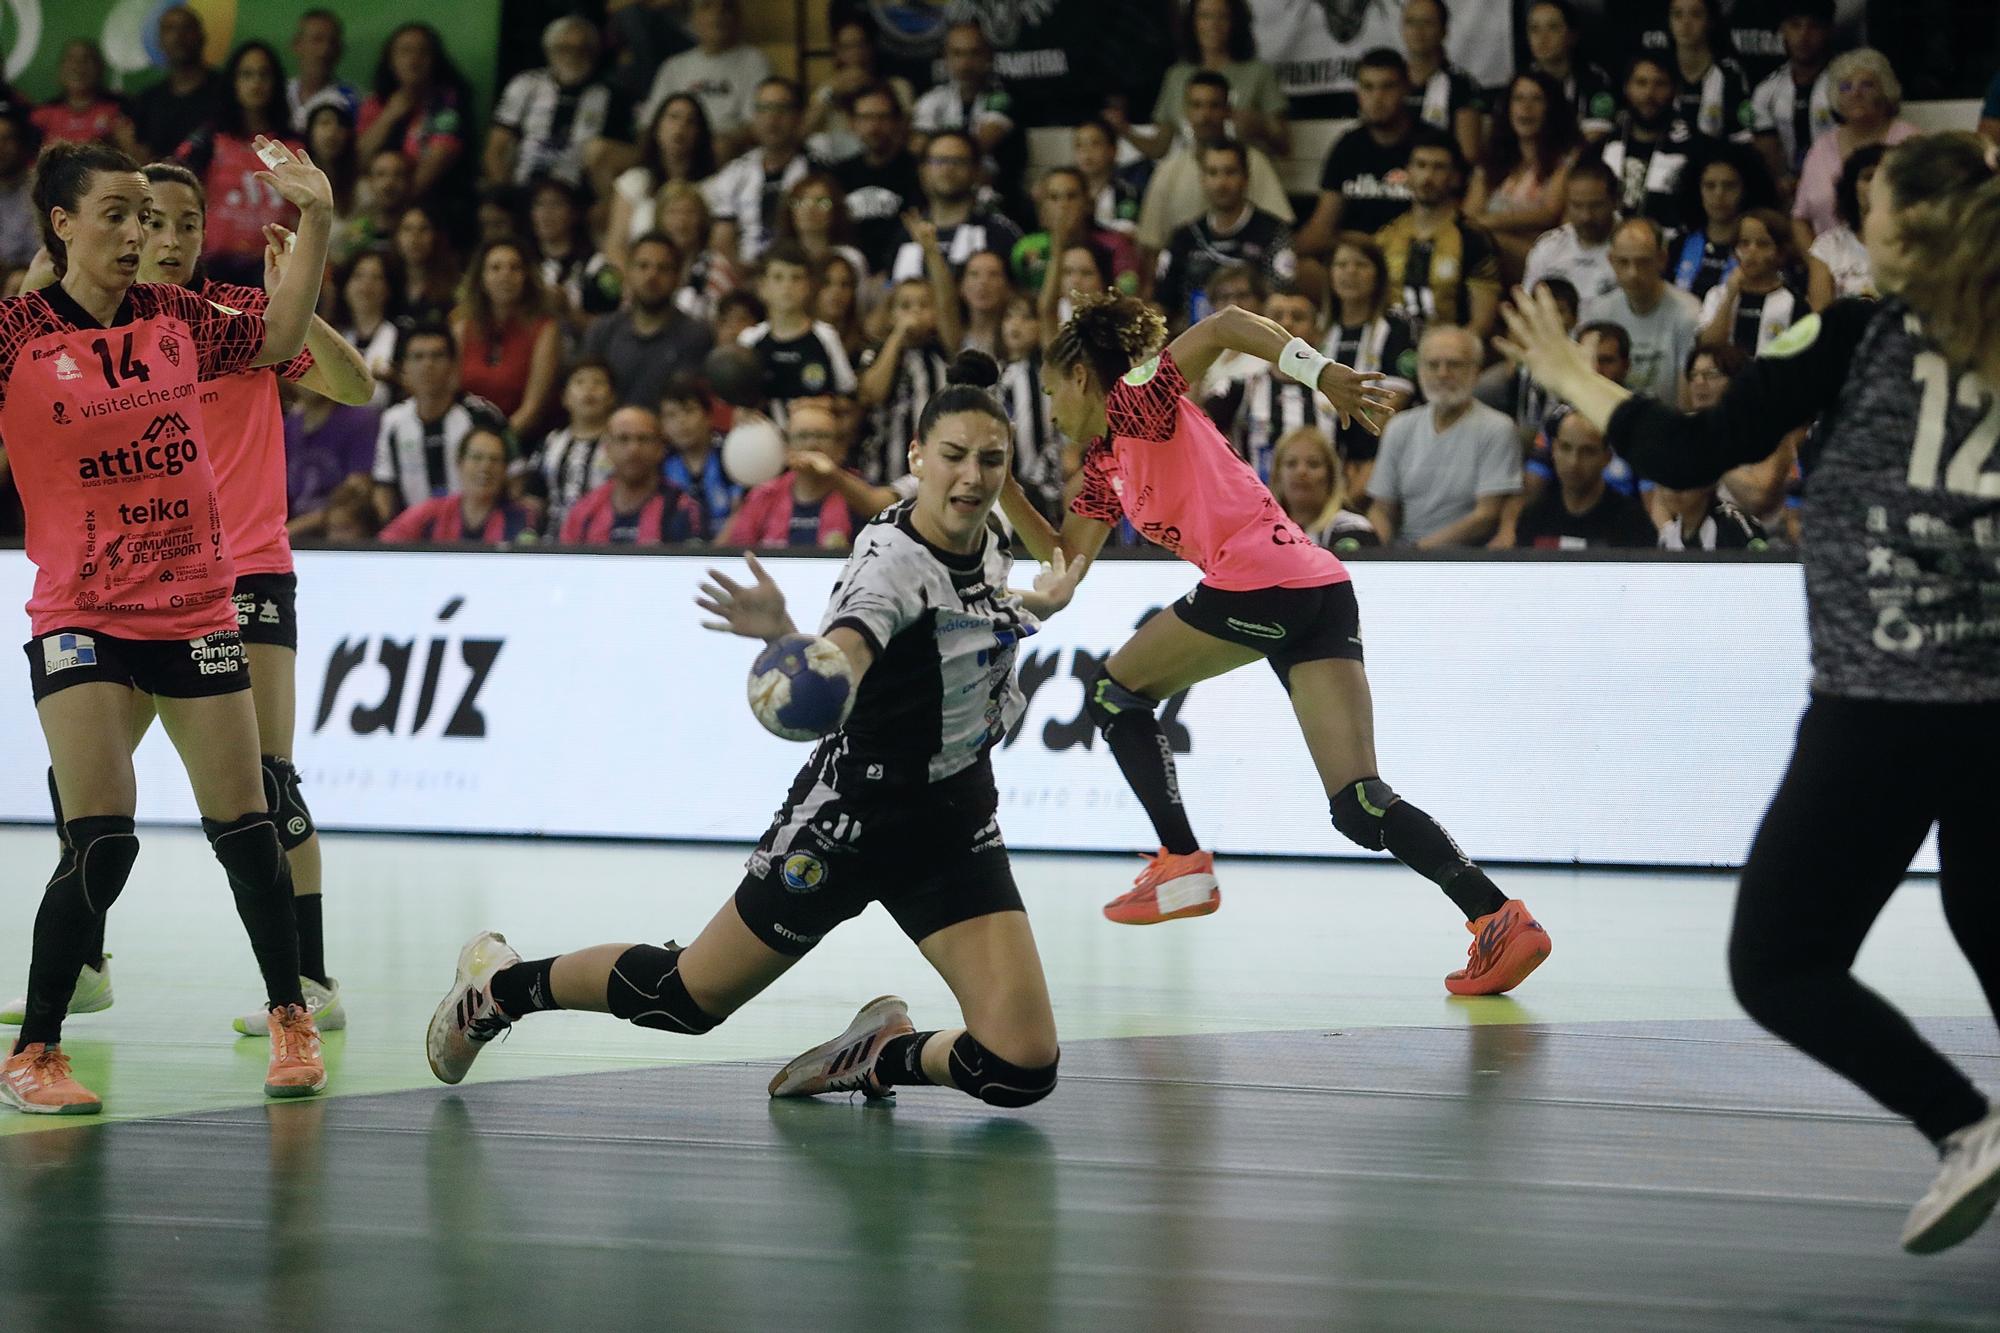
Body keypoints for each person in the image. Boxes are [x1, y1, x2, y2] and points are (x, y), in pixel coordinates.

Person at [1496, 131, 2000, 1255]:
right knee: (1983, 916)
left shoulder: (1861, 333)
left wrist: (1577, 379)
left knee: (1776, 963)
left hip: (1883, 701)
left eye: (1865, 213)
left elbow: (1691, 449)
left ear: (1899, 234)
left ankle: (1961, 1123)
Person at [428, 354, 1085, 1111]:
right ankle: (502, 985)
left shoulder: (988, 518)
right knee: (684, 1000)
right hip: (854, 820)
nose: (972, 477)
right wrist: (791, 642)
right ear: (916, 457)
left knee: (1020, 1065)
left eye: (991, 460)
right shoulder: (890, 568)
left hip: (953, 816)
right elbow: (849, 650)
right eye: (954, 457)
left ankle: (877, 1054)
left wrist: (1050, 594)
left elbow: (1017, 548)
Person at [1001, 295, 1551, 998]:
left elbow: (1227, 323)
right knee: (1359, 802)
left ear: (1080, 377)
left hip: (1259, 580)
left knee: (1115, 692)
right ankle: (1498, 916)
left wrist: (1320, 373)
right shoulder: (1109, 463)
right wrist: (1004, 488)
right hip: (1317, 587)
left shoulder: (1138, 401)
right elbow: (1063, 566)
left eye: (1051, 391)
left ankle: (1181, 861)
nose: (1050, 410)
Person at [0, 136, 334, 1114]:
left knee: (246, 826)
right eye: (116, 213)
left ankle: (291, 1016)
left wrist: (316, 219)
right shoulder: (16, 334)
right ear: (63, 225)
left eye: (147, 216)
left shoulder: (180, 320)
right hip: (83, 613)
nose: (138, 232)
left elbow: (279, 340)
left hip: (193, 606)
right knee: (103, 839)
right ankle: (36, 1050)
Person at [1366, 325, 1521, 547]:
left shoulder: (1497, 428)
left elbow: (1486, 516)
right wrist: (1377, 555)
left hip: (1466, 561)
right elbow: (1382, 509)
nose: (1442, 373)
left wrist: (1419, 553)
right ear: (1419, 370)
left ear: (1476, 371)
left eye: (1454, 364)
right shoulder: (1400, 426)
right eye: (1432, 364)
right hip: (1403, 557)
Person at [1132, 73, 1293, 268]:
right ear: (1186, 111)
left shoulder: (1253, 162)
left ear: (1228, 110)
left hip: (1246, 278)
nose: (1205, 116)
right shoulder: (1168, 170)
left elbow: (1279, 234)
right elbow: (1151, 247)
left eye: (1214, 106)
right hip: (1186, 282)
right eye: (1197, 105)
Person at [174, 43, 303, 286]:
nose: (256, 83)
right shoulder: (207, 141)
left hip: (275, 272)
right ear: (233, 82)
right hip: (213, 270)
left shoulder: (293, 147)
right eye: (247, 74)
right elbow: (174, 184)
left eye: (264, 74)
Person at [370, 324, 510, 523]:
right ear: (403, 368)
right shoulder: (392, 421)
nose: (428, 365)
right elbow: (384, 489)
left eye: (437, 356)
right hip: (411, 537)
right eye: (418, 357)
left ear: (454, 364)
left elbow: (515, 480)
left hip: (474, 537)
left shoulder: (483, 416)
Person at [1153, 143, 1296, 331]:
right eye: (1213, 173)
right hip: (1196, 343)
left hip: (1256, 342)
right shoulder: (1184, 237)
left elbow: (1279, 299)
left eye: (1230, 172)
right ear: (1202, 179)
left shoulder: (1271, 232)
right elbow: (1161, 305)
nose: (1221, 183)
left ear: (1246, 178)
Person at [1375, 135, 1502, 343]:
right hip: (1387, 354)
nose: (1428, 176)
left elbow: (1482, 322)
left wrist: (1447, 353)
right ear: (1407, 172)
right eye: (1421, 165)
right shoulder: (1385, 236)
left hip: (1451, 356)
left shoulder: (1474, 240)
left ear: (1455, 177)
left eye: (1439, 167)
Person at [1295, 50, 1422, 255]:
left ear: (1406, 88)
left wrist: (1373, 242)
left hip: (1414, 257)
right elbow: (1321, 228)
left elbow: (1446, 225)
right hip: (1354, 261)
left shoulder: (1428, 143)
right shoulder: (1348, 146)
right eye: (1368, 87)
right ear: (1358, 92)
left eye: (1387, 87)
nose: (1377, 98)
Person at [485, 17, 631, 191]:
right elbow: (496, 146)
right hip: (524, 185)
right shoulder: (526, 84)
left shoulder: (610, 96)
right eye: (564, 48)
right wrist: (503, 195)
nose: (573, 56)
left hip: (578, 191)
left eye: (583, 49)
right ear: (549, 51)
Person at [1133, 0, 1290, 160]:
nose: (1213, 24)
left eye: (1223, 17)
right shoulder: (1176, 75)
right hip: (1192, 177)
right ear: (1192, 23)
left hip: (1246, 177)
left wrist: (1261, 127)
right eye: (1205, 16)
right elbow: (1159, 147)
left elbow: (1284, 145)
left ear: (1236, 23)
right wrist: (1123, 129)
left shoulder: (1258, 72)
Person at [1318, 234, 1418, 484]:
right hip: (1324, 451)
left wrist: (1372, 463)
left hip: (1375, 453)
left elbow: (1395, 401)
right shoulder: (1319, 328)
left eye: (1361, 265)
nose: (1350, 272)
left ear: (1378, 275)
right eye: (1341, 265)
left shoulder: (1397, 326)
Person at [1466, 71, 1582, 283]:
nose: (1526, 108)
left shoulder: (1568, 159)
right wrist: (1481, 226)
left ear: (1552, 108)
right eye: (1518, 98)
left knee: (1486, 243)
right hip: (1489, 254)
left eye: (1536, 99)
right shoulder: (1492, 159)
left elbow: (1548, 213)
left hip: (1544, 256)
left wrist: (1488, 223)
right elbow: (1469, 215)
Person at [1792, 49, 1918, 241]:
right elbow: (1799, 219)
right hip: (1828, 264)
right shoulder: (1821, 147)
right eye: (1845, 87)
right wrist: (1817, 265)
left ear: (1885, 91)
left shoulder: (1911, 141)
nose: (1855, 93)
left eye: (1867, 85)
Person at [581, 232, 714, 408]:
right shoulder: (602, 331)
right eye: (643, 266)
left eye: (663, 268)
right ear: (628, 272)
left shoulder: (696, 336)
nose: (652, 276)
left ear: (678, 277)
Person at [1578, 218, 1702, 404]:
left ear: (1662, 260)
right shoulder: (1598, 312)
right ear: (1611, 261)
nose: (1633, 273)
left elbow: (1687, 399)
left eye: (1643, 262)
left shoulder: (1688, 313)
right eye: (1623, 262)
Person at [355, 23, 476, 210]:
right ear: (390, 60)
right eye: (405, 51)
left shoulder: (448, 103)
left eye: (422, 52)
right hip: (376, 204)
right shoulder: (376, 102)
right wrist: (390, 116)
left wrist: (397, 211)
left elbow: (435, 164)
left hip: (432, 204)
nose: (414, 59)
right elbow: (356, 160)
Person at [451, 237, 561, 439]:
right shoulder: (461, 327)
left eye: (515, 268)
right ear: (481, 278)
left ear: (526, 276)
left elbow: (532, 410)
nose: (505, 276)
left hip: (520, 439)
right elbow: (450, 393)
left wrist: (497, 445)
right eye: (495, 268)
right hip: (465, 439)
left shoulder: (545, 330)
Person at [737, 243, 857, 425]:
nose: (787, 286)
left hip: (813, 437)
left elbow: (847, 397)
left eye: (796, 278)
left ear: (809, 286)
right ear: (762, 287)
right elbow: (738, 403)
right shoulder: (750, 340)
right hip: (764, 442)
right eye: (778, 278)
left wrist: (821, 404)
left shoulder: (825, 336)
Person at [637, 0, 772, 161]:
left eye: (726, 8)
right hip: (672, 149)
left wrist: (705, 141)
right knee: (600, 152)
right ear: (693, 19)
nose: (717, 15)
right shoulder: (674, 65)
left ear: (737, 17)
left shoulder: (754, 61)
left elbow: (755, 124)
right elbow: (649, 122)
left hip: (723, 151)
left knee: (719, 146)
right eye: (707, 6)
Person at [888, 131, 1025, 283]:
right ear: (922, 170)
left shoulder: (1000, 232)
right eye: (938, 161)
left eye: (958, 161)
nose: (948, 169)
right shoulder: (906, 233)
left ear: (976, 171)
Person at [722, 399, 859, 548]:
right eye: (802, 436)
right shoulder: (763, 495)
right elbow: (739, 553)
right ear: (787, 448)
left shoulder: (859, 495)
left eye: (822, 436)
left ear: (840, 449)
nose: (812, 444)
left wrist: (834, 475)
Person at [557, 406, 705, 544]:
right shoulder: (583, 512)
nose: (633, 449)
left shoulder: (682, 507)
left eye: (643, 439)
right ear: (607, 448)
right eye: (623, 439)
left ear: (660, 448)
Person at [909, 21, 1023, 200]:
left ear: (988, 56)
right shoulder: (933, 98)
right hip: (940, 190)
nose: (965, 63)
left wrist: (939, 155)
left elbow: (976, 147)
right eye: (957, 54)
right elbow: (918, 149)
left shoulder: (1003, 95)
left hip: (995, 192)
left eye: (974, 53)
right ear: (945, 58)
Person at [1511, 409, 1657, 549]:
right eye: (1566, 448)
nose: (1574, 462)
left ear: (1607, 457)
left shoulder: (1632, 522)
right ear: (1553, 449)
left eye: (1588, 451)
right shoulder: (1534, 516)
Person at [704, 77, 811, 265]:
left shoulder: (816, 170)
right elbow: (722, 241)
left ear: (798, 117)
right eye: (764, 108)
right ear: (754, 117)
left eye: (782, 109)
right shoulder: (734, 173)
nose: (772, 118)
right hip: (743, 274)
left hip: (799, 271)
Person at [606, 93, 718, 269]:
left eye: (691, 121)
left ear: (700, 133)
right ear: (657, 127)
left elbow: (714, 250)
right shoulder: (634, 181)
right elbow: (615, 246)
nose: (681, 127)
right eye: (673, 118)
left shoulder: (715, 187)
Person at [1599, 52, 1705, 234]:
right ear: (1626, 88)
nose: (1649, 93)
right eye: (1641, 83)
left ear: (1674, 90)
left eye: (1660, 84)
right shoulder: (1605, 144)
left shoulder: (1695, 148)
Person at [379, 427, 533, 544]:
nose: (486, 467)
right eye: (476, 457)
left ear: (505, 469)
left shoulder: (521, 517)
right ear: (459, 463)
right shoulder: (431, 513)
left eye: (494, 459)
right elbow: (385, 545)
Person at [1697, 207, 1816, 355]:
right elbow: (1708, 347)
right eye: (1744, 243)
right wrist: (1729, 297)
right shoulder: (1717, 296)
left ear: (1780, 252)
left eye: (1763, 244)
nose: (1751, 251)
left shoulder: (1793, 303)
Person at [831, 84, 923, 275]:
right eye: (865, 118)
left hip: (902, 274)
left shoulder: (918, 172)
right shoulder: (839, 174)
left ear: (897, 122)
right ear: (852, 123)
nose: (874, 126)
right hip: (849, 276)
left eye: (882, 117)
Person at [1751, 0, 1837, 194]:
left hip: (1837, 185)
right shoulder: (1767, 90)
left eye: (1814, 26)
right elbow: (1768, 155)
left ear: (1829, 31)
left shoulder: (1845, 84)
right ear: (1783, 30)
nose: (1803, 36)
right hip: (1787, 191)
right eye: (1795, 25)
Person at [1670, 143, 1777, 300]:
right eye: (1709, 185)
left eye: (1730, 186)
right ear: (1696, 190)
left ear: (1746, 190)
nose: (1719, 194)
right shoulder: (1679, 245)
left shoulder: (1758, 249)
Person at [803, 18, 914, 165]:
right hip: (840, 165)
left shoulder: (899, 86)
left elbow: (906, 135)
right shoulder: (827, 89)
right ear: (837, 51)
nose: (855, 52)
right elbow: (800, 134)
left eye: (860, 45)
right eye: (847, 47)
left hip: (887, 162)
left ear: (871, 47)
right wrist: (829, 93)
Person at [130, 6, 224, 161]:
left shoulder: (227, 91)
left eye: (186, 28)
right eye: (169, 29)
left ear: (202, 37)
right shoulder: (148, 100)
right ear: (159, 41)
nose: (178, 36)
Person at [1399, 0, 1486, 166]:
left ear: (1444, 30)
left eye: (1427, 23)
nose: (1418, 31)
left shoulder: (1462, 85)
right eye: (1411, 22)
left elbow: (1469, 154)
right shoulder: (1390, 79)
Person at [1521, 159, 1620, 304]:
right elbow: (1528, 306)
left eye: (1596, 205)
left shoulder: (1636, 247)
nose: (1586, 216)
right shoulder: (1548, 247)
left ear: (1615, 201)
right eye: (1577, 205)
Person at [1268, 425, 1378, 553]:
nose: (1301, 472)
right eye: (1291, 464)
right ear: (1277, 476)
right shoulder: (1260, 533)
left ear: (1331, 476)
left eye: (1313, 464)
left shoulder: (1354, 528)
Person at [32, 40, 144, 162]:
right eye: (71, 59)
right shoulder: (42, 115)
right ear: (60, 69)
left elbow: (138, 159)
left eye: (87, 59)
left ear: (100, 68)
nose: (78, 67)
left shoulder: (121, 109)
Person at [1662, 0, 1755, 143]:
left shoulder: (1730, 72)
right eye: (1678, 15)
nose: (1686, 23)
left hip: (1717, 160)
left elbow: (1741, 137)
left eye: (1696, 15)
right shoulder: (1659, 70)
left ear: (1711, 22)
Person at [1523, 0, 1617, 141]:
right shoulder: (1520, 82)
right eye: (1534, 29)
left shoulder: (1595, 79)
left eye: (1553, 27)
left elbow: (1596, 134)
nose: (1542, 38)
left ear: (1572, 35)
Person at [660, 373, 738, 532]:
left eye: (689, 411)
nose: (681, 421)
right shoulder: (660, 464)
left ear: (708, 416)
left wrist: (716, 552)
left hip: (728, 551)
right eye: (671, 415)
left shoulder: (730, 455)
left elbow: (741, 511)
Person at [1807, 143, 1884, 306]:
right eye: (1868, 177)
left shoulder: (1915, 245)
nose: (1876, 185)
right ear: (1852, 187)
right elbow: (1823, 319)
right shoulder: (1827, 248)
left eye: (1885, 177)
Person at [287, 9, 359, 132]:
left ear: (339, 50)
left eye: (332, 42)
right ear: (297, 44)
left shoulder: (348, 101)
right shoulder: (279, 91)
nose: (324, 50)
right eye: (317, 40)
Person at [1073, 118, 1141, 238]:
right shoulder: (1069, 191)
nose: (1086, 152)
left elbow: (1126, 235)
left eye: (1095, 144)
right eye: (1079, 145)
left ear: (1112, 150)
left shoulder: (1127, 193)